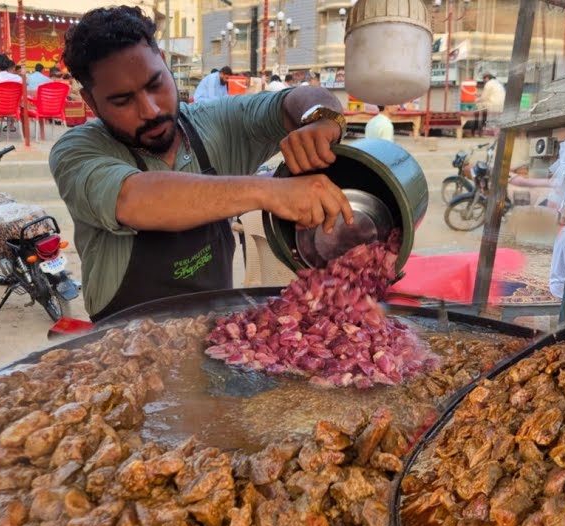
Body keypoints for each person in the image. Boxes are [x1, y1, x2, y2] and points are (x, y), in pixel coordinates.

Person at [50, 7, 353, 321]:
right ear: (90, 102)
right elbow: (135, 199)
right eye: (123, 101)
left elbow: (296, 100)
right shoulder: (77, 151)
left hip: (215, 336)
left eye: (155, 84)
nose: (150, 110)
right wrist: (273, 192)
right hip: (125, 349)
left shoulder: (215, 124)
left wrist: (321, 119)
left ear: (165, 66)